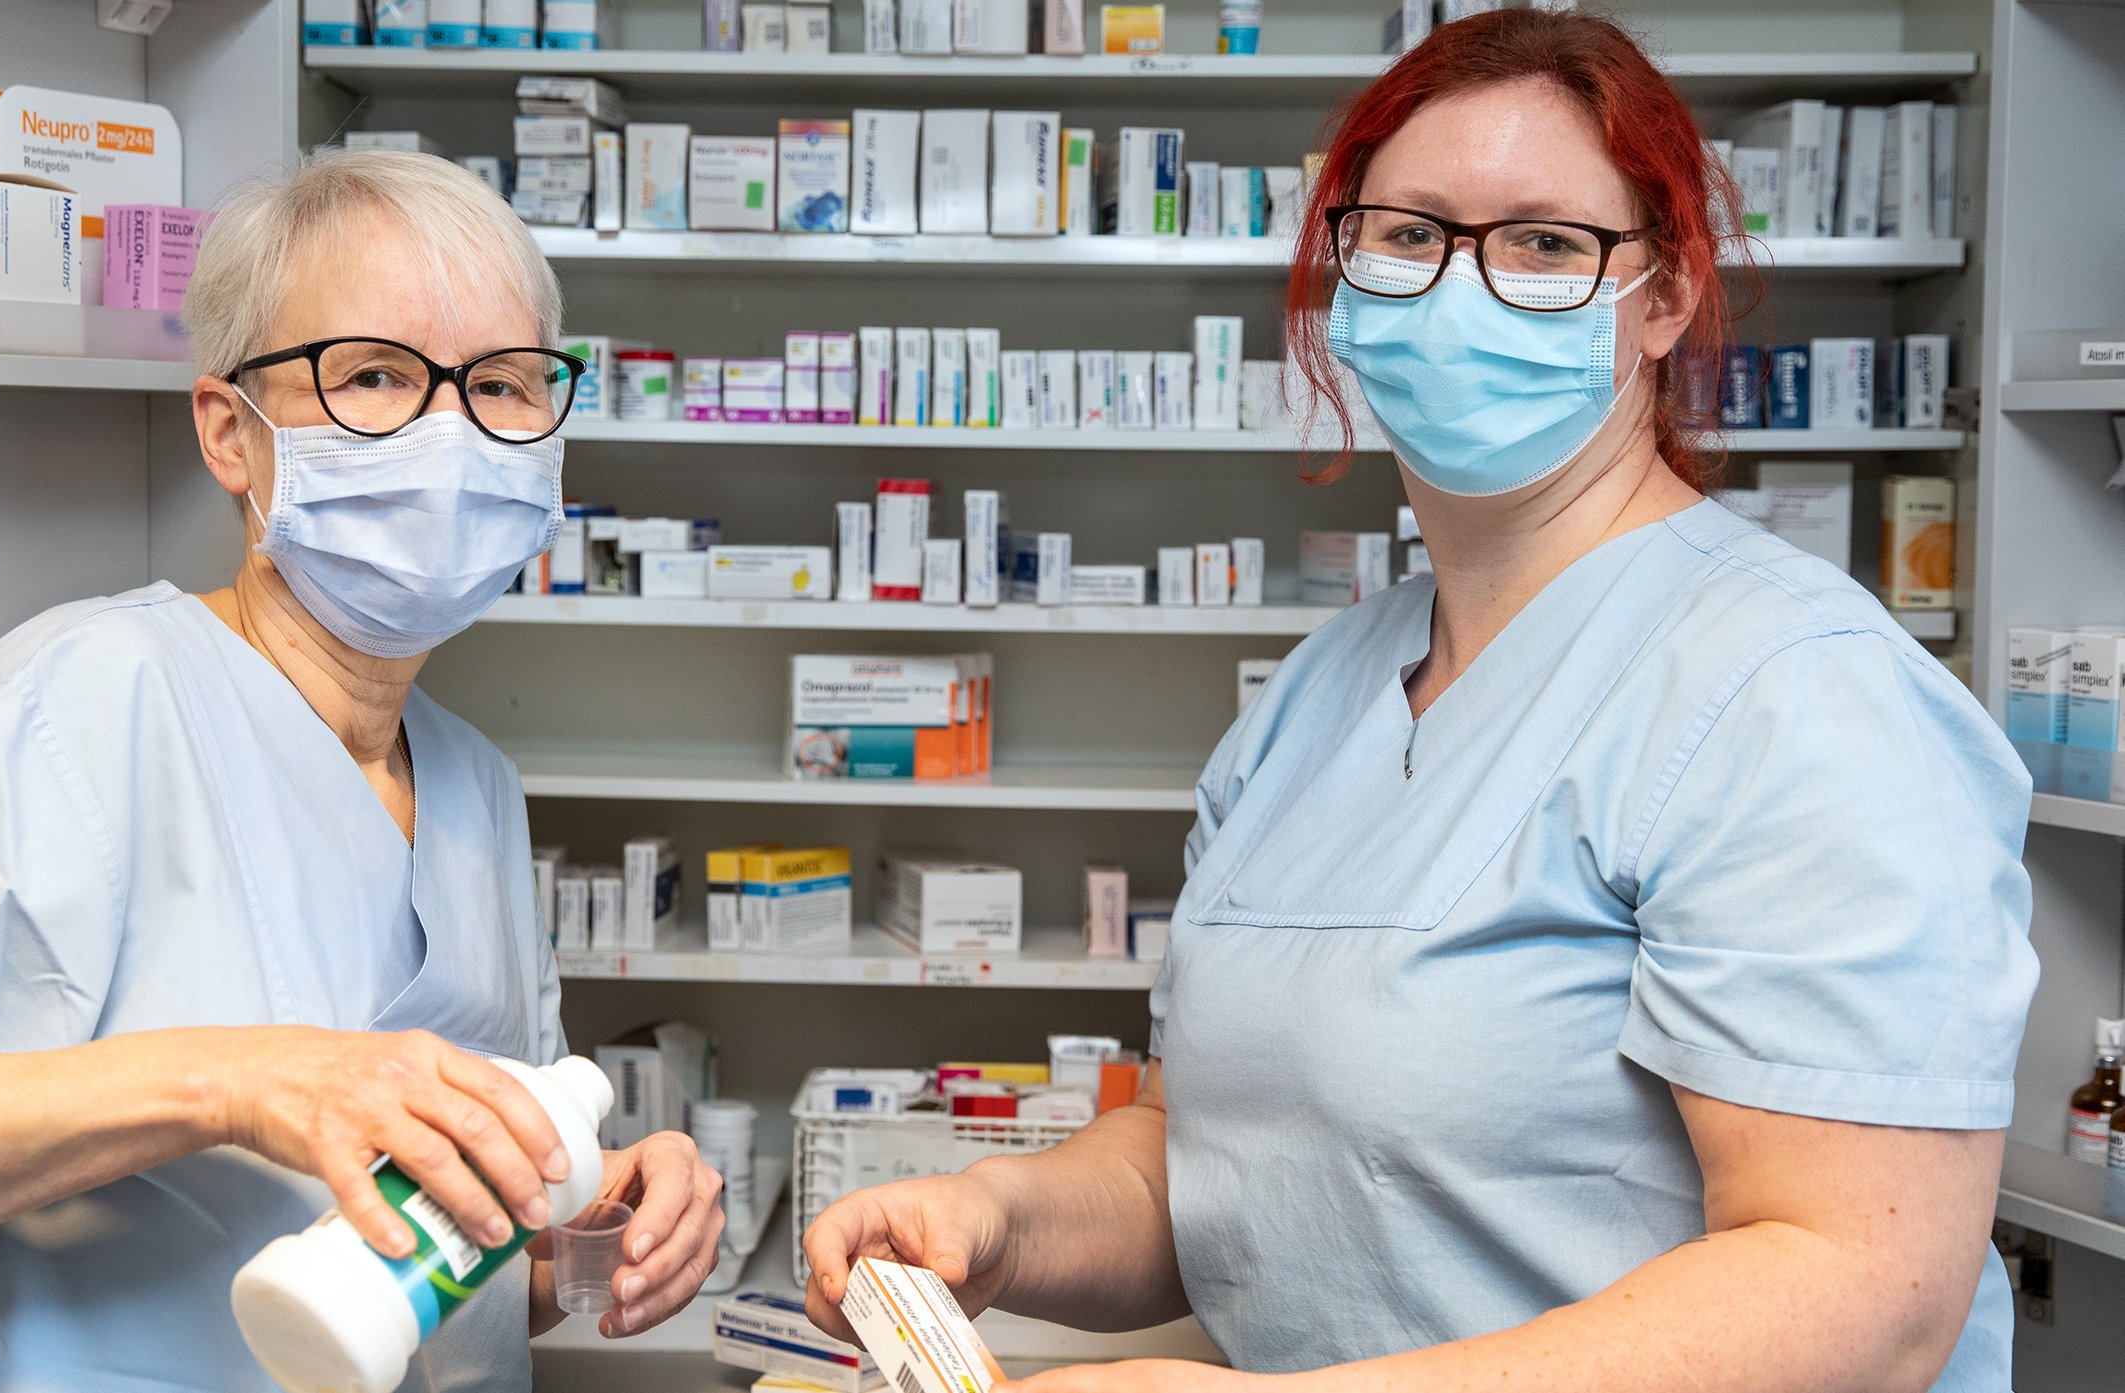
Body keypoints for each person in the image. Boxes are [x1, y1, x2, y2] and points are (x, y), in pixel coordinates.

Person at [802, 13, 2037, 1393]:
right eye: (1408, 233)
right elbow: (1220, 1159)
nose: (1464, 290)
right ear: (1346, 269)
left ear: (1664, 298)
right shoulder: (1316, 698)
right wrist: (1001, 1220)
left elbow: (1859, 1292)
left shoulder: (1797, 692)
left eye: (1545, 243)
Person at [0, 151, 724, 1393]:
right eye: (374, 375)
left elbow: (422, 1272)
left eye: (500, 383)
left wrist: (599, 1248)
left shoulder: (475, 789)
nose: (449, 433)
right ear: (229, 433)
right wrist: (228, 1078)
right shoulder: (91, 699)